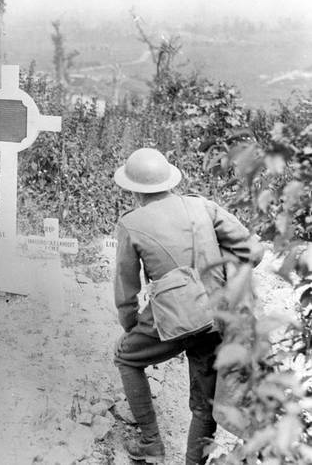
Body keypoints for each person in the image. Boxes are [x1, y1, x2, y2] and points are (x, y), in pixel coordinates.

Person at [112, 148, 264, 464]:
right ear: (169, 180)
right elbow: (253, 252)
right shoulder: (202, 206)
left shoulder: (131, 224)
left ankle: (152, 444)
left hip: (169, 320)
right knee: (204, 402)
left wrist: (131, 327)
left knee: (125, 358)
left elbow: (126, 290)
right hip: (217, 316)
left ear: (134, 190)